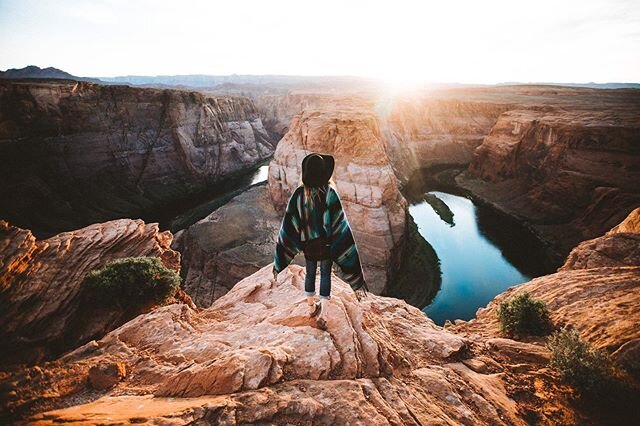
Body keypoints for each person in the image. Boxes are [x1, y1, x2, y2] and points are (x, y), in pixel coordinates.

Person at [272, 152, 369, 327]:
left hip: (308, 246)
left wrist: (285, 250)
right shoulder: (330, 193)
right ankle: (323, 314)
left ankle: (311, 308)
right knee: (325, 274)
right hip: (326, 246)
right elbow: (340, 226)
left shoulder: (298, 194)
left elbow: (289, 224)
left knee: (310, 273)